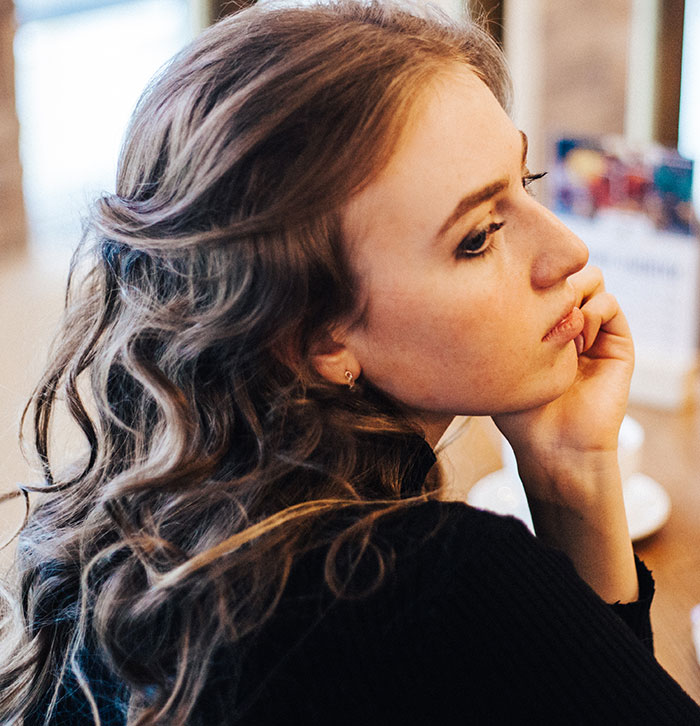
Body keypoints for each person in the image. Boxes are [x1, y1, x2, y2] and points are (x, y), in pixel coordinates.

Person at [1, 1, 700, 724]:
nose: (568, 253)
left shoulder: (145, 547)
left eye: (525, 185)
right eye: (479, 236)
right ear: (317, 335)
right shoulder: (437, 588)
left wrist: (571, 468)